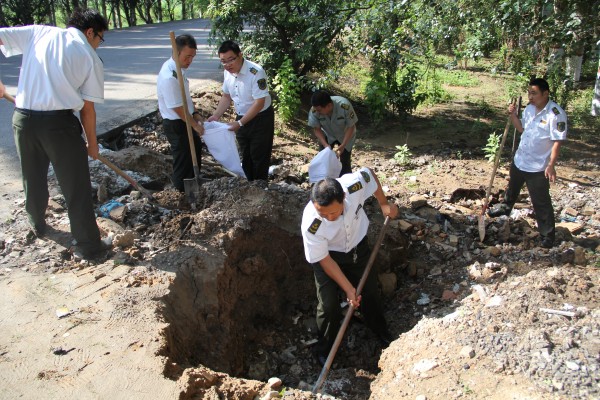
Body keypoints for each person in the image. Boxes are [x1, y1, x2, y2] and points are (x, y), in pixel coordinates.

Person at [0, 8, 110, 259]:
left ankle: (37, 224)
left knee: (32, 177)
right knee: (76, 186)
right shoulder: (90, 57)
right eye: (100, 38)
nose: (98, 44)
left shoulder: (38, 32)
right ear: (90, 32)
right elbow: (87, 110)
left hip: (23, 121)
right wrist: (92, 144)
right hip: (59, 127)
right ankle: (89, 245)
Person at [301, 167, 399, 366]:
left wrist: (384, 203)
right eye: (323, 213)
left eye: (333, 212)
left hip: (357, 250)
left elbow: (370, 174)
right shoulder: (311, 223)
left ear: (344, 198)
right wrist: (348, 288)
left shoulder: (353, 186)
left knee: (370, 293)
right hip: (328, 257)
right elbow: (324, 260)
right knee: (328, 306)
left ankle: (381, 332)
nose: (329, 217)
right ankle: (325, 348)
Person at [488, 77, 568, 248]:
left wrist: (551, 165)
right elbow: (521, 128)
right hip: (520, 159)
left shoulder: (556, 114)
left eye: (534, 93)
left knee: (541, 202)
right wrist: (513, 115)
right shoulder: (529, 109)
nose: (530, 97)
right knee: (512, 187)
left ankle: (547, 235)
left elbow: (557, 142)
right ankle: (505, 207)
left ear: (545, 94)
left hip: (538, 166)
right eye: (529, 93)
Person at [207, 40, 274, 181]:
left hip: (261, 118)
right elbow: (226, 96)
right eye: (223, 61)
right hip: (242, 116)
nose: (227, 65)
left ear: (240, 55)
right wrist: (216, 115)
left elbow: (259, 103)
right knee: (245, 154)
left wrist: (240, 123)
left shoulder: (255, 72)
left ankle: (260, 187)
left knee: (259, 155)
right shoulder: (227, 73)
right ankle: (248, 185)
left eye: (231, 60)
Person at [157, 34, 204, 192]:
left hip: (185, 119)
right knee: (183, 159)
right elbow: (177, 108)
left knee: (195, 150)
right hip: (177, 123)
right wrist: (195, 126)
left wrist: (195, 113)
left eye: (193, 57)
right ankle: (181, 192)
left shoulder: (179, 70)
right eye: (187, 56)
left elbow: (185, 98)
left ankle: (194, 188)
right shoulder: (169, 76)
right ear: (177, 52)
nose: (190, 60)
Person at [308, 91, 358, 175]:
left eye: (319, 110)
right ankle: (324, 180)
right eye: (316, 109)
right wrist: (325, 145)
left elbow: (351, 127)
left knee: (345, 162)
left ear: (329, 105)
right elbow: (317, 129)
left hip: (345, 135)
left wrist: (343, 145)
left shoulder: (344, 106)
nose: (317, 112)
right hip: (327, 135)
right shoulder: (315, 110)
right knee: (323, 159)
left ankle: (344, 181)